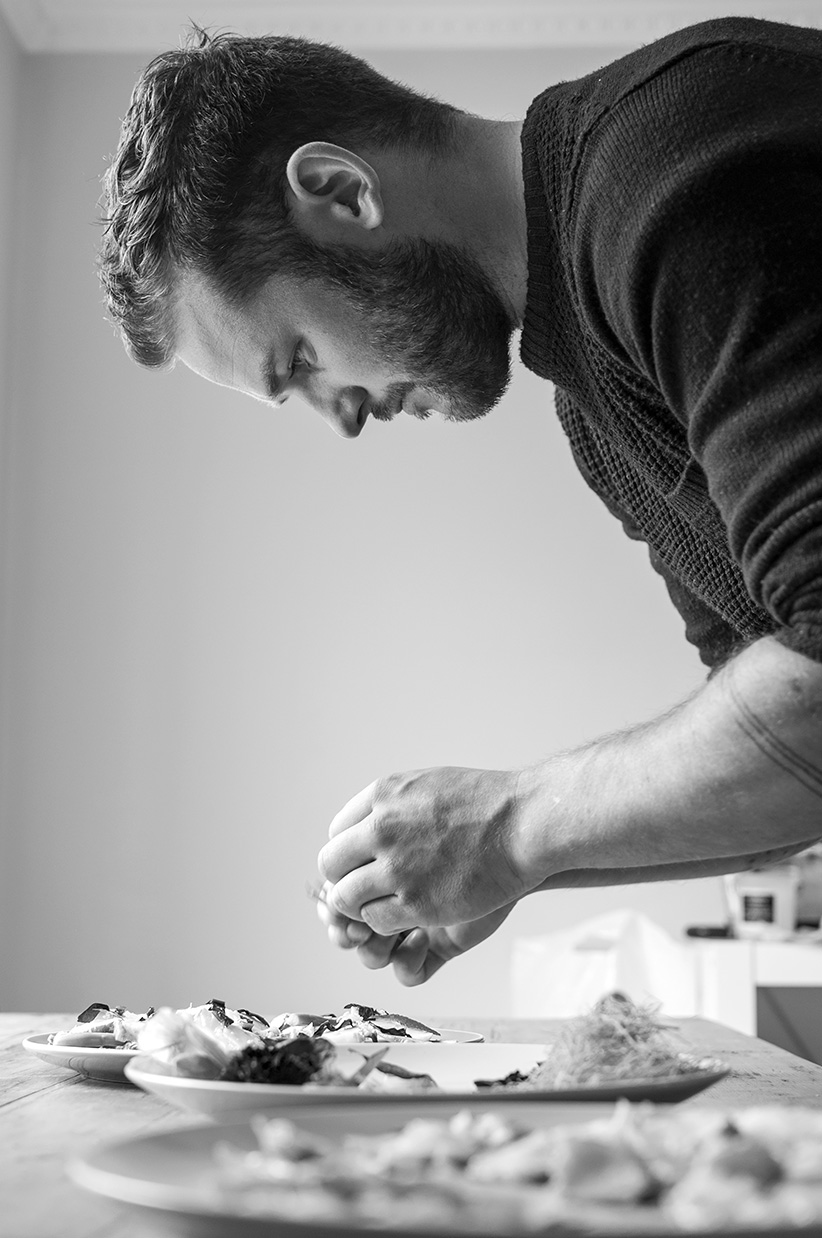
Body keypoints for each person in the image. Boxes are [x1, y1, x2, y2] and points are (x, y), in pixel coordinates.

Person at [100, 17, 822, 986]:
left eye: (300, 361)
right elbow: (790, 768)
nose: (340, 421)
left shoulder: (678, 171)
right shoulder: (596, 408)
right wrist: (512, 866)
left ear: (341, 191)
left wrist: (515, 822)